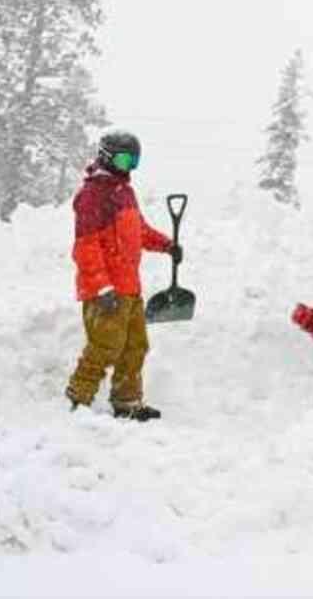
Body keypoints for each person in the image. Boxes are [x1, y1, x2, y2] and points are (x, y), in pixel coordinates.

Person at [65, 131, 181, 421]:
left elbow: (138, 230)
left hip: (129, 288)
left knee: (135, 346)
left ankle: (127, 401)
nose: (129, 166)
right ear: (106, 156)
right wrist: (102, 288)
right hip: (105, 291)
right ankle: (78, 398)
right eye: (124, 159)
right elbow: (86, 247)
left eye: (134, 160)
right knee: (104, 347)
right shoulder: (92, 195)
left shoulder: (124, 192)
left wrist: (167, 245)